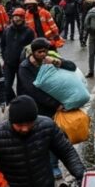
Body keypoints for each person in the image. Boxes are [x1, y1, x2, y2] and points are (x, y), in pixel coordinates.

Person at [16, 38, 78, 179]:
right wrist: (55, 104)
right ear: (33, 52)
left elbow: (72, 67)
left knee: (53, 136)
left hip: (52, 108)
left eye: (45, 51)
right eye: (40, 52)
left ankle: (53, 165)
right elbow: (33, 91)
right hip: (35, 107)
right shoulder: (25, 67)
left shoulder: (50, 59)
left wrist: (57, 62)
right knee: (35, 138)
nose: (43, 54)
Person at [0, 8, 36, 99]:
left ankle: (20, 106)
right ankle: (12, 102)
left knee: (22, 89)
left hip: (22, 64)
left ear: (23, 18)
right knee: (6, 87)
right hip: (8, 64)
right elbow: (2, 45)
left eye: (19, 17)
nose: (17, 19)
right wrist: (5, 58)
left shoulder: (29, 32)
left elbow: (32, 48)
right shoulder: (7, 30)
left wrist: (28, 61)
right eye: (15, 17)